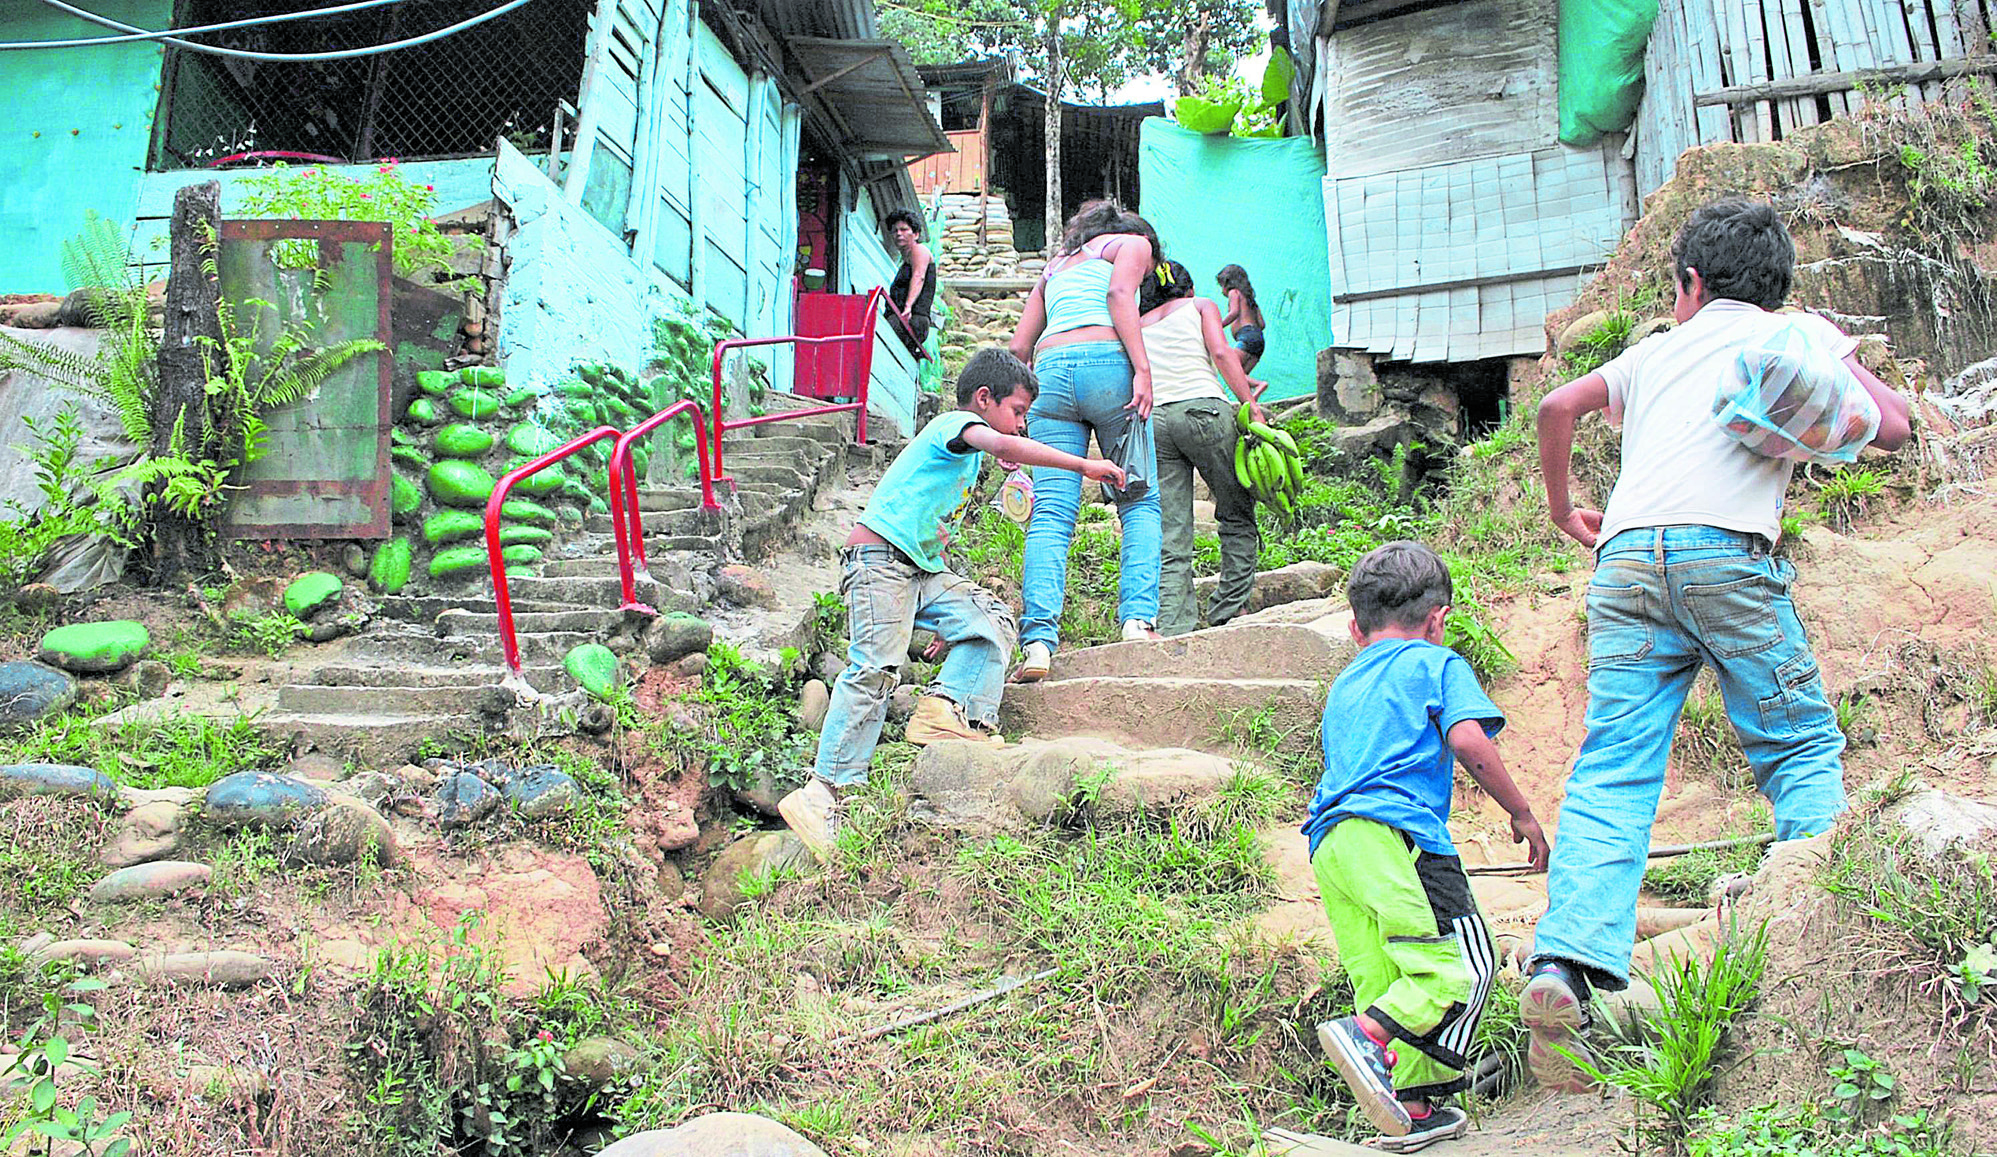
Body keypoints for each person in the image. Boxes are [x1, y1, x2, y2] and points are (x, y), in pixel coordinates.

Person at [1526, 197, 1911, 1092]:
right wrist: (1839, 347)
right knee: (1798, 741)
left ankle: (1564, 968)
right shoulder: (1793, 338)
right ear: (1775, 289)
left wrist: (1560, 508)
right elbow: (1890, 429)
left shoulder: (1656, 348)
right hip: (1727, 554)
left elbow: (1555, 404)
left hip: (1623, 558)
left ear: (1687, 285)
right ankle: (1830, 926)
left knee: (1614, 764)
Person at [779, 348, 1128, 860]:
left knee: (991, 619)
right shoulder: (957, 423)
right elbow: (994, 438)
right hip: (879, 561)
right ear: (984, 400)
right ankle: (825, 791)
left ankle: (951, 709)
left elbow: (937, 534)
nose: (1022, 425)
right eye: (1017, 412)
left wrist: (948, 617)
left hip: (920, 570)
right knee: (875, 668)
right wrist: (1082, 464)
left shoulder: (965, 462)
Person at [1306, 541, 1549, 1151]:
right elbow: (1468, 740)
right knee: (1462, 966)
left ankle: (1411, 1107)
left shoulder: (1344, 683)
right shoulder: (1436, 663)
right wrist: (1521, 813)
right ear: (1439, 619)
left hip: (1332, 845)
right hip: (1401, 839)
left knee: (1387, 972)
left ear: (1355, 627)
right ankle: (1364, 1035)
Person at [1007, 201, 1165, 681]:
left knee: (1052, 513)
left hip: (1050, 372)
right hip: (1107, 365)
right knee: (1139, 499)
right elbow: (1120, 294)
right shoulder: (1134, 245)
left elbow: (1018, 347)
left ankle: (1037, 644)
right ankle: (1137, 621)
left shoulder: (1053, 268)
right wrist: (1142, 368)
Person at [1137, 259, 1265, 636]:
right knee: (1236, 510)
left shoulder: (1139, 324)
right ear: (1188, 289)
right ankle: (1229, 608)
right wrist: (1250, 405)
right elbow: (1223, 354)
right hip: (1204, 411)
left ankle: (1175, 625)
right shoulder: (1201, 306)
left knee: (1172, 529)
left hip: (1157, 422)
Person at [886, 208, 936, 359]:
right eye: (895, 231)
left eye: (904, 229)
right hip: (903, 318)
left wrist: (908, 307)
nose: (898, 234)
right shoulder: (906, 258)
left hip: (912, 319)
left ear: (916, 234)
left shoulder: (919, 250)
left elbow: (919, 276)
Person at [1217, 264, 1266, 376]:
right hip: (1259, 341)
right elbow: (1262, 324)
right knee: (1241, 378)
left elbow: (1234, 312)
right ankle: (1254, 390)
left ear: (1228, 283)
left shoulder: (1234, 292)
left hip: (1246, 337)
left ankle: (1259, 384)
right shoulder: (1250, 299)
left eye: (1221, 286)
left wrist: (1218, 326)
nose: (1221, 290)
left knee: (1228, 368)